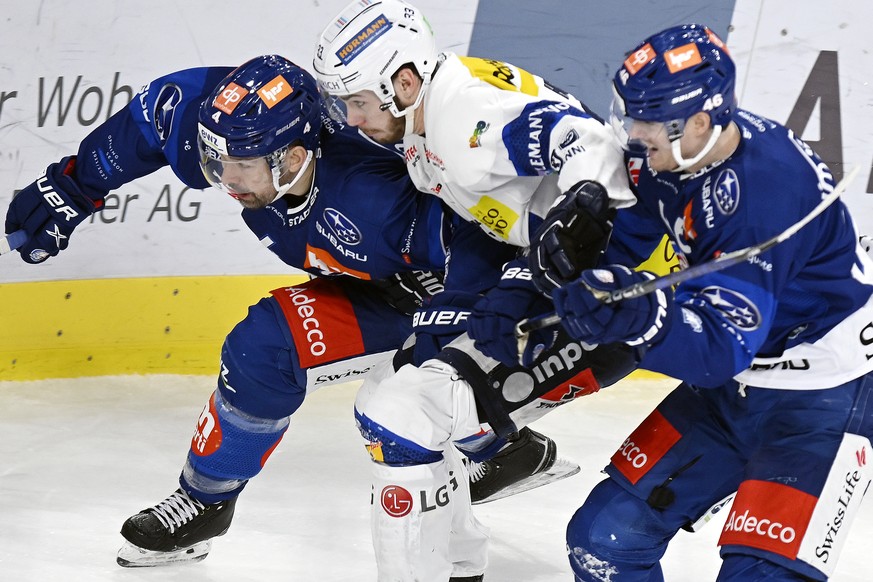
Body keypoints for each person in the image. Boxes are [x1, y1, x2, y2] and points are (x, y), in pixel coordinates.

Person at [3, 55, 573, 573]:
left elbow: (482, 245)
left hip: (452, 293)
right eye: (217, 160)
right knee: (261, 348)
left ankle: (494, 442)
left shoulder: (372, 196)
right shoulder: (224, 118)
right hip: (380, 285)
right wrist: (72, 188)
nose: (227, 179)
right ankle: (206, 503)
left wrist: (448, 316)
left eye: (243, 165)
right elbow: (152, 122)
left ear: (295, 156)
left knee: (398, 388)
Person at [312, 1, 648, 579]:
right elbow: (490, 219)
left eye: (359, 101)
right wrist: (462, 300)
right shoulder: (427, 121)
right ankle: (458, 561)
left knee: (404, 415)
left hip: (615, 290)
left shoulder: (464, 119)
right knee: (388, 387)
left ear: (404, 81)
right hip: (559, 278)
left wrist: (556, 244)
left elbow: (585, 141)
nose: (350, 119)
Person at [532, 24, 873, 581]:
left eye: (647, 122)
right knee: (605, 540)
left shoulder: (766, 198)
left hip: (822, 401)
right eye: (630, 115)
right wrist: (582, 258)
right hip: (735, 391)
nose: (634, 136)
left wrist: (637, 315)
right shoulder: (680, 155)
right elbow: (636, 233)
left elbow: (719, 349)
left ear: (697, 123)